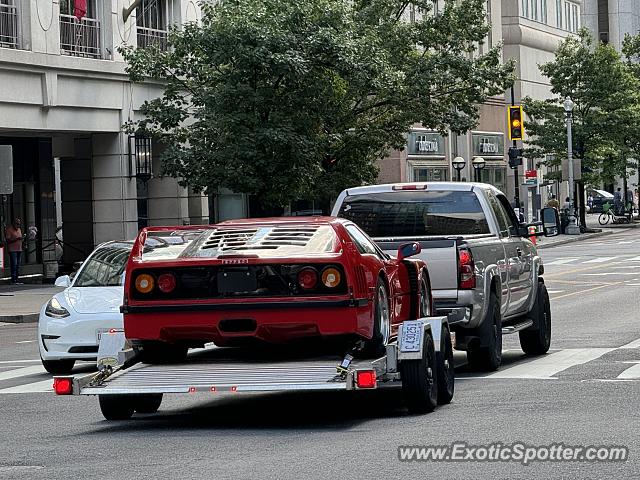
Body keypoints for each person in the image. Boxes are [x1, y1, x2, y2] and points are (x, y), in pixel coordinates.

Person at [4, 218, 24, 284]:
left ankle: (17, 279)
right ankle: (13, 279)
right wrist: (17, 239)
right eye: (17, 224)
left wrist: (22, 239)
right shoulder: (9, 230)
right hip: (13, 250)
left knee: (18, 265)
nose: (18, 225)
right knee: (14, 264)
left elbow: (20, 239)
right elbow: (8, 240)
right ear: (13, 223)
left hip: (19, 249)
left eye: (19, 224)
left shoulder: (19, 230)